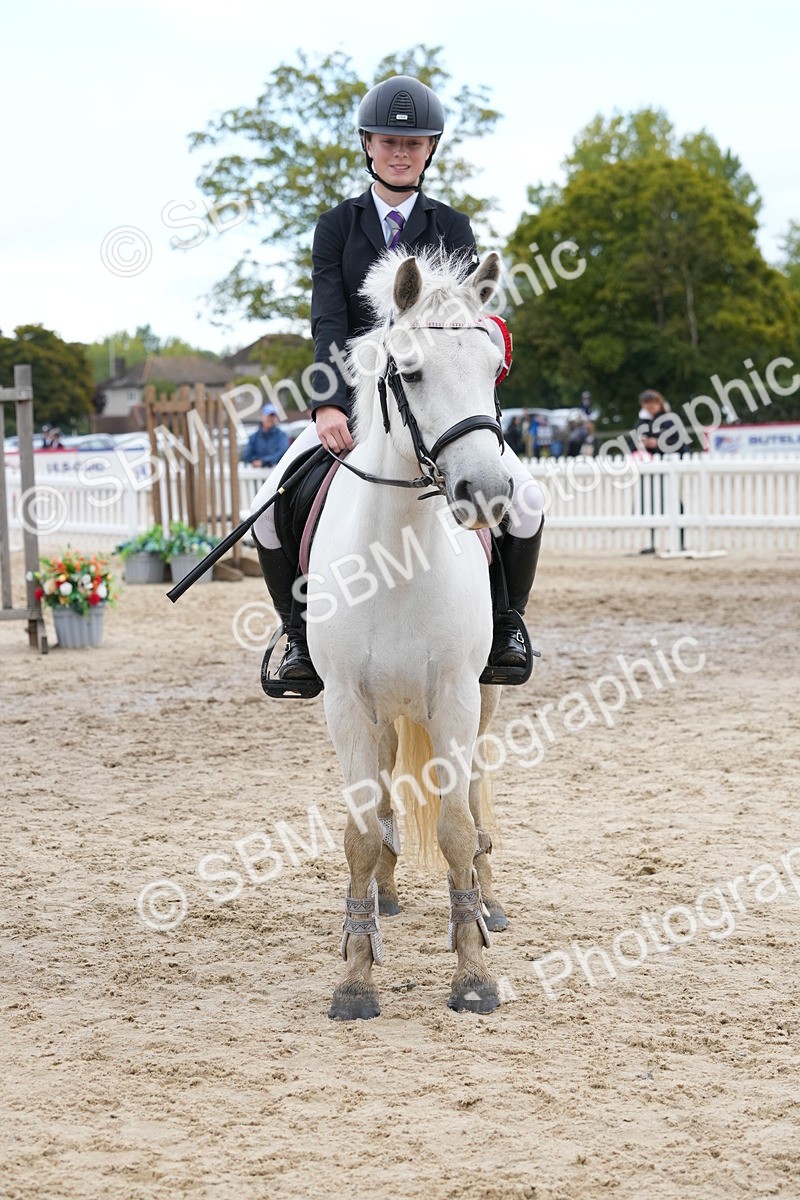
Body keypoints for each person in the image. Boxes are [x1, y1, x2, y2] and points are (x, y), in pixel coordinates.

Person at [249, 75, 545, 691]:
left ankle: (506, 621)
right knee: (268, 511)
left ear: (431, 149)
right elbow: (328, 318)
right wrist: (328, 405)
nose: (401, 153)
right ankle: (300, 640)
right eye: (389, 142)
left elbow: (466, 318)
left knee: (526, 502)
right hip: (358, 403)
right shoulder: (337, 227)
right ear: (368, 146)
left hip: (435, 405)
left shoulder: (452, 226)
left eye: (414, 143)